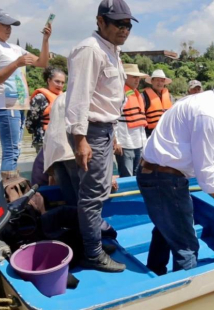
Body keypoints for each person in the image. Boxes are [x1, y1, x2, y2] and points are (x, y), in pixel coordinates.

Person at [137, 67, 214, 275]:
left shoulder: (208, 104)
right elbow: (203, 173)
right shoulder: (208, 113)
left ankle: (156, 273)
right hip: (164, 178)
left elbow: (211, 155)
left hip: (156, 173)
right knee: (187, 245)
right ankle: (185, 293)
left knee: (166, 229)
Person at [65, 0, 138, 272]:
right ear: (100, 21)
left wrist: (114, 135)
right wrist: (80, 139)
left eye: (128, 24)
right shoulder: (90, 50)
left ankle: (92, 241)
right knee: (92, 196)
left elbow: (108, 99)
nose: (124, 29)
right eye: (119, 23)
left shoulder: (112, 51)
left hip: (106, 129)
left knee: (100, 191)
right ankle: (92, 254)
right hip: (91, 131)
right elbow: (79, 98)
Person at [0, 8, 51, 180]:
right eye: (5, 25)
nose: (9, 29)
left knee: (16, 148)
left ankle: (12, 186)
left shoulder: (14, 48)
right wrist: (16, 64)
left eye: (11, 26)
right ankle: (10, 191)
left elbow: (42, 62)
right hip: (5, 105)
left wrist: (45, 40)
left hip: (19, 105)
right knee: (10, 150)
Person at [114, 64, 148, 177]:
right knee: (127, 176)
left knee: (138, 176)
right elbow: (113, 119)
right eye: (133, 77)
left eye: (138, 77)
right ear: (124, 77)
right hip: (125, 144)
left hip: (139, 144)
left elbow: (141, 124)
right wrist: (116, 141)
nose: (137, 80)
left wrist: (145, 143)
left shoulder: (139, 96)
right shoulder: (118, 95)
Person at [25, 66, 66, 153]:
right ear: (48, 80)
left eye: (62, 83)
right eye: (57, 81)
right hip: (43, 139)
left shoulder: (64, 98)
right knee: (45, 166)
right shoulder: (40, 98)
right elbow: (30, 121)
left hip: (61, 139)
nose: (60, 85)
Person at [143, 69, 174, 137]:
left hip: (166, 132)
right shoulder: (144, 96)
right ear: (152, 81)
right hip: (150, 133)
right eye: (157, 80)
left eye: (162, 81)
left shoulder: (169, 96)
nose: (159, 83)